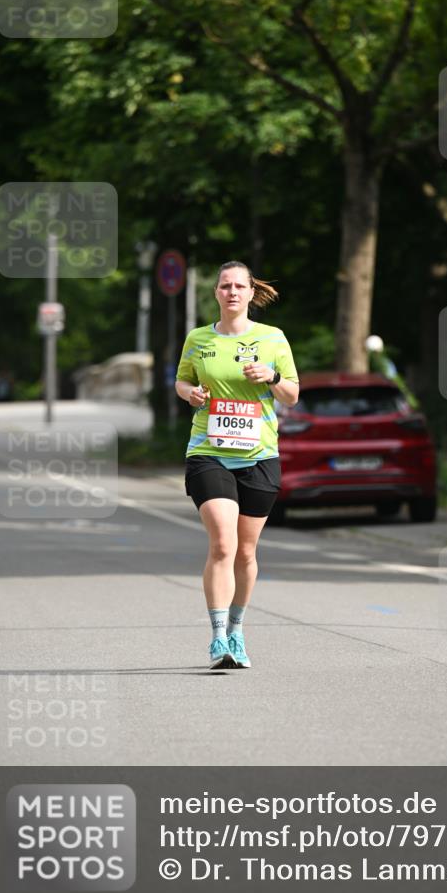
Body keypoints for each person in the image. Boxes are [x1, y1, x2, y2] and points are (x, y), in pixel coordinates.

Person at [175, 261, 300, 670]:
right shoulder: (198, 339)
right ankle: (216, 639)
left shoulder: (273, 338)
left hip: (259, 455)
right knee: (223, 544)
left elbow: (292, 395)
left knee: (246, 552)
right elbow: (182, 381)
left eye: (239, 286)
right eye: (225, 286)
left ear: (250, 294)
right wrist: (190, 392)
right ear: (216, 293)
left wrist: (272, 375)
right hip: (208, 451)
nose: (231, 292)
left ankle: (237, 632)